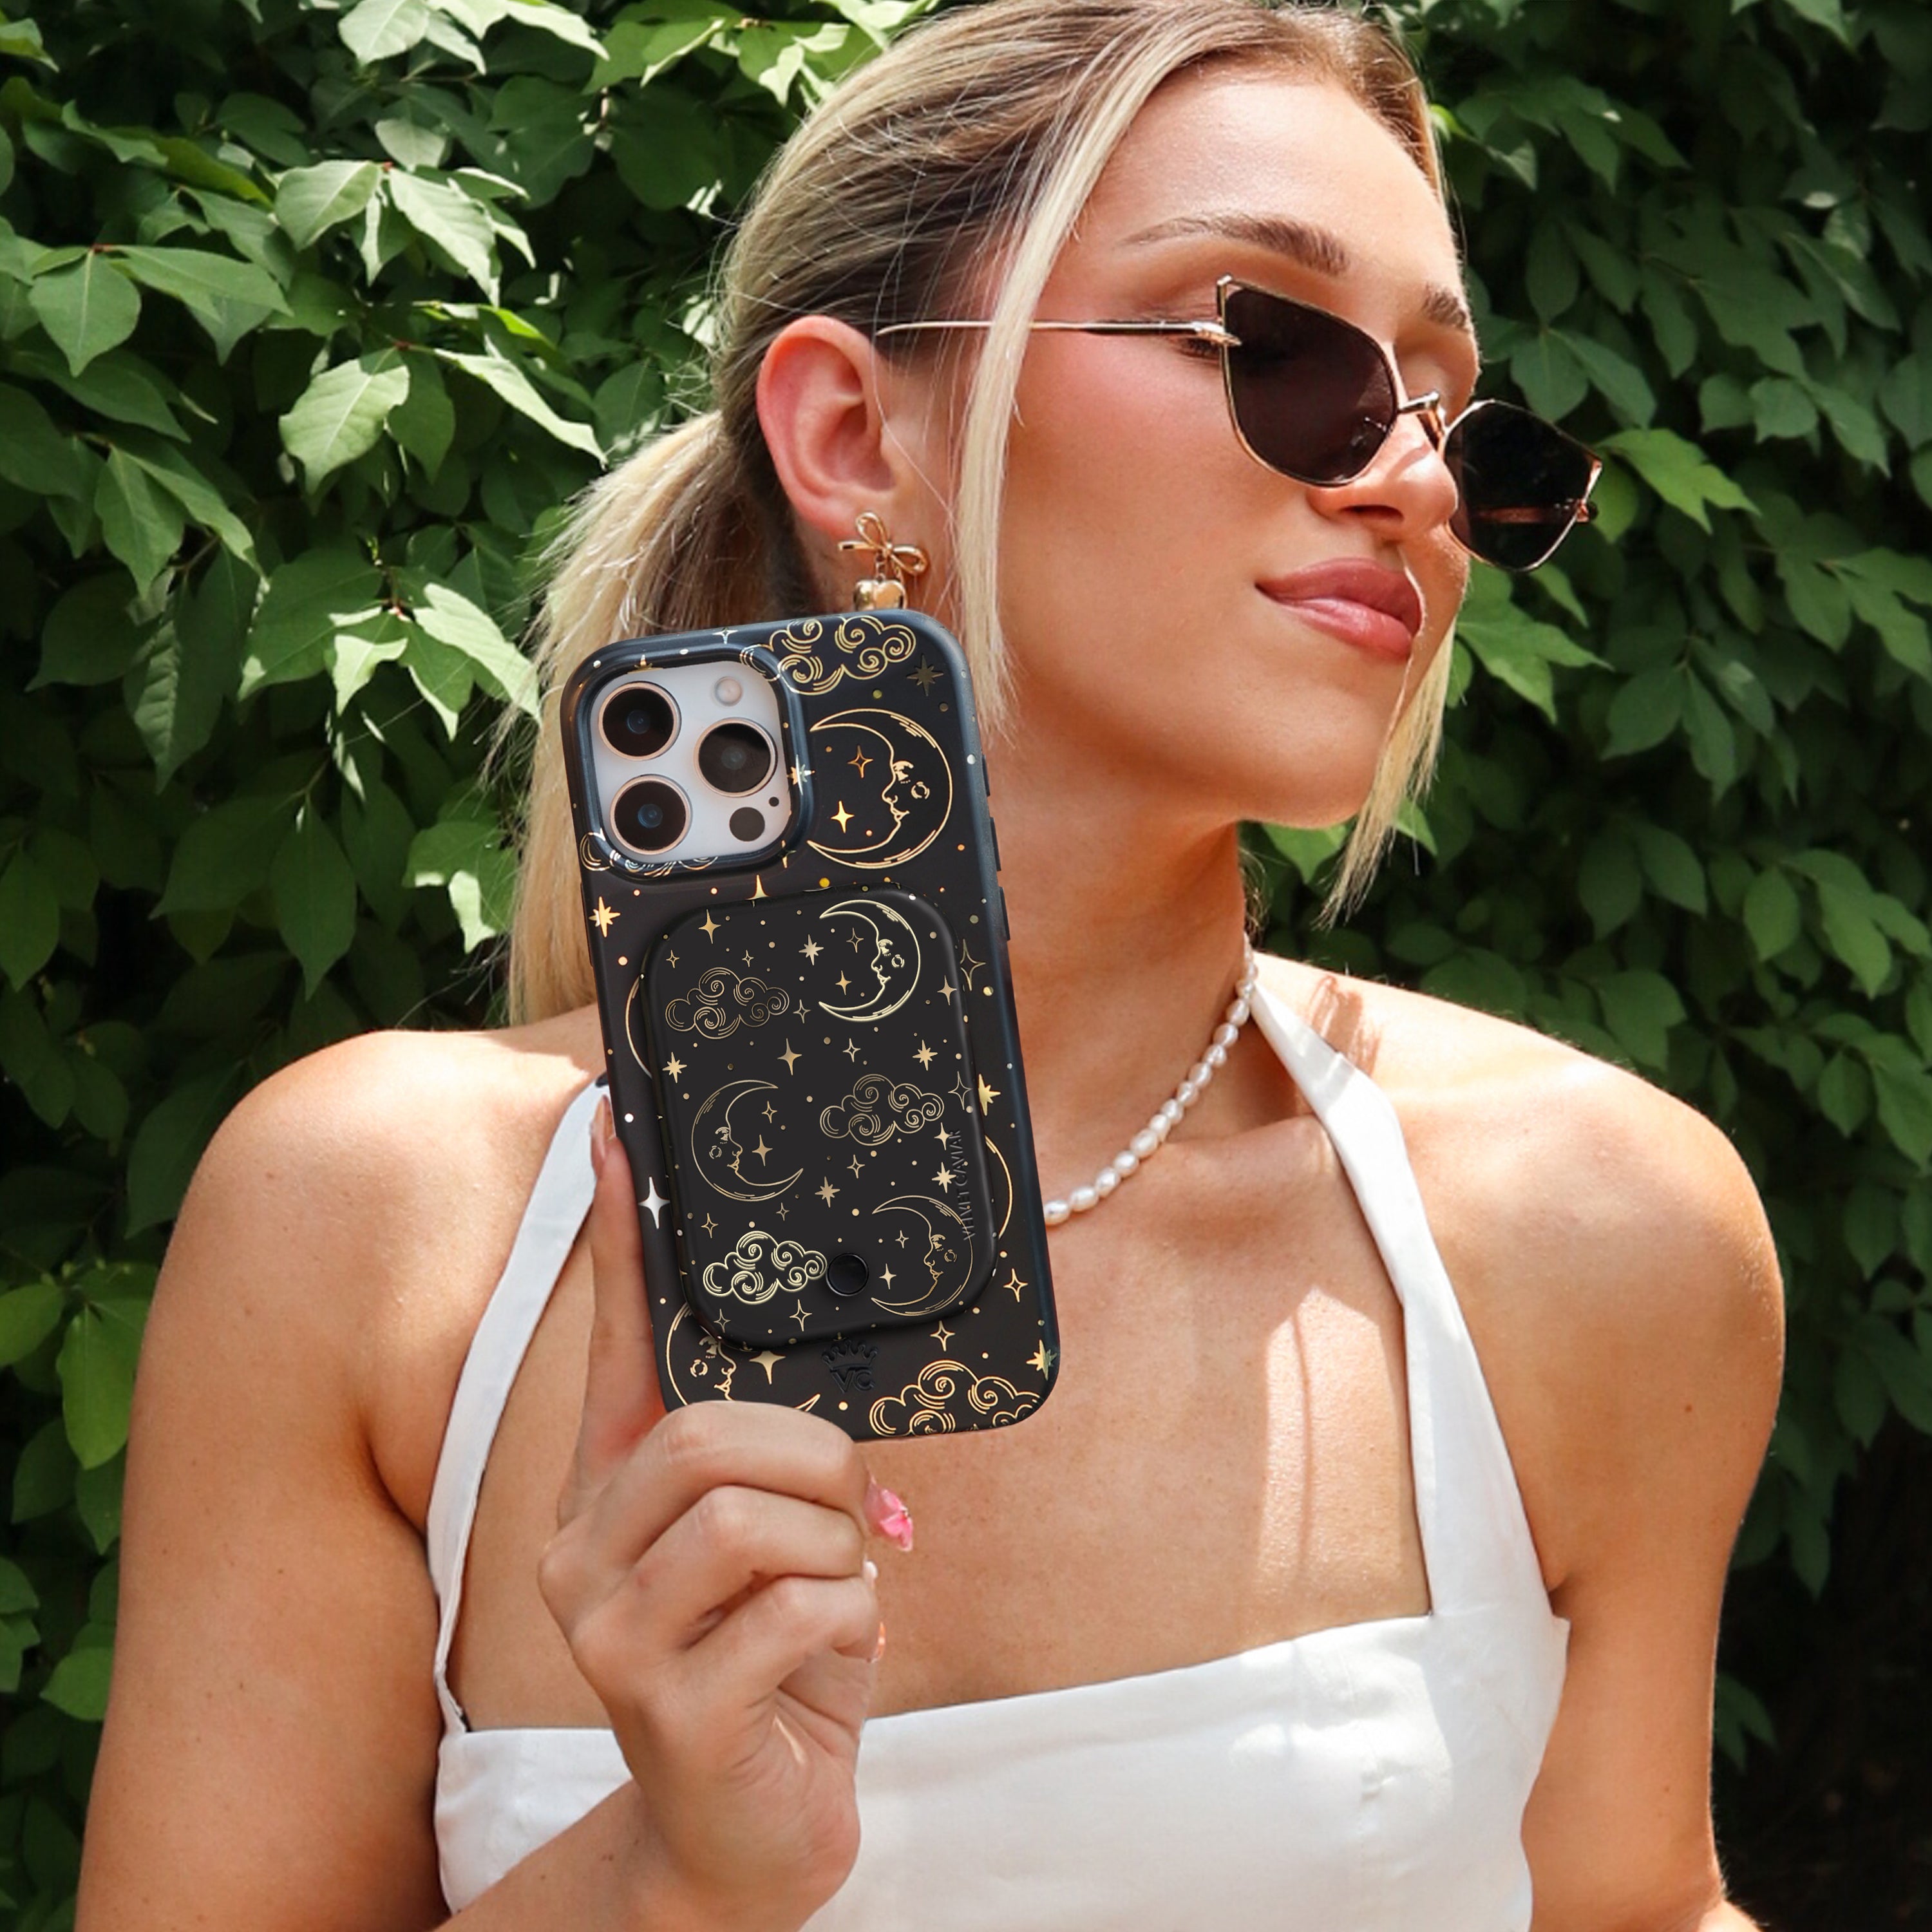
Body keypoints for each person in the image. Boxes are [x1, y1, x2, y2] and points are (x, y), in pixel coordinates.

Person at [77, 2, 1785, 1927]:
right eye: (1278, 348)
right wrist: (668, 1874)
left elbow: (1640, 1904)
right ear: (852, 431)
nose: (1418, 484)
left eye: (1463, 421)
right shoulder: (383, 1230)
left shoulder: (1594, 1226)